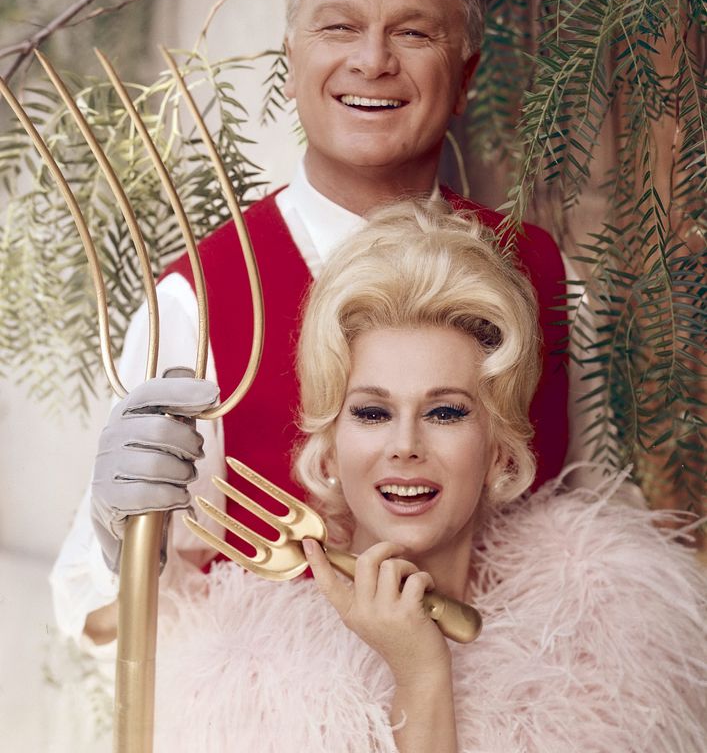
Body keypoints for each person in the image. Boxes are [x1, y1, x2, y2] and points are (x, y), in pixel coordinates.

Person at [51, 0, 576, 649]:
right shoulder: (195, 304)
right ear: (291, 64)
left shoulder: (542, 272)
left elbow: (586, 531)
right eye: (338, 28)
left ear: (465, 77)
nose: (373, 61)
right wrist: (128, 545)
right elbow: (94, 610)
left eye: (413, 32)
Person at [153, 202, 706, 753]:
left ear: (499, 449)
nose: (405, 446)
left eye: (445, 413)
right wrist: (420, 674)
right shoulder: (244, 696)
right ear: (330, 450)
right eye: (373, 413)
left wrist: (421, 672)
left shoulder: (611, 653)